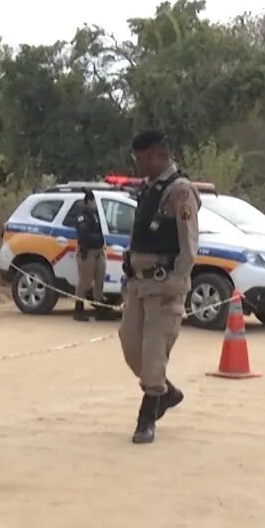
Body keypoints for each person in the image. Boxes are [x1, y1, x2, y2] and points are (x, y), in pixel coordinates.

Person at [119, 129, 200, 444]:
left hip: (164, 284)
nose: (137, 164)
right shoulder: (149, 188)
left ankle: (147, 415)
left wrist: (178, 283)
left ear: (154, 154)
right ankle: (166, 392)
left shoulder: (180, 191)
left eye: (139, 158)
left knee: (153, 353)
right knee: (131, 347)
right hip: (139, 285)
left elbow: (189, 243)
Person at [72, 190, 112, 322]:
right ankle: (78, 310)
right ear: (89, 201)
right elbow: (84, 235)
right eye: (94, 201)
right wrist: (99, 237)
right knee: (85, 282)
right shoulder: (82, 216)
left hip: (99, 252)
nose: (96, 204)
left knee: (99, 282)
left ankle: (100, 310)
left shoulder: (96, 215)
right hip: (87, 252)